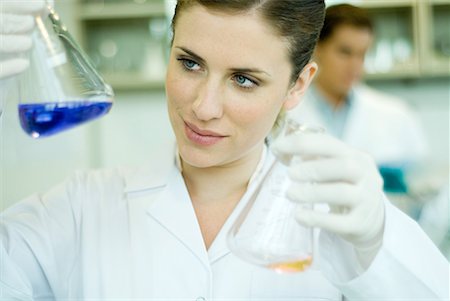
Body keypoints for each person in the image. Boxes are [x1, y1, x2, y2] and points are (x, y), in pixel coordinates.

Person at [0, 0, 448, 300]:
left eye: (244, 79)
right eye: (190, 63)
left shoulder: (342, 223)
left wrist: (378, 244)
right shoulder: (80, 209)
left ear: (298, 85)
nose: (203, 107)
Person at [288, 4, 428, 193]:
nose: (355, 66)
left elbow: (416, 188)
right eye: (345, 52)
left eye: (362, 54)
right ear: (317, 48)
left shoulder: (396, 114)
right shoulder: (285, 111)